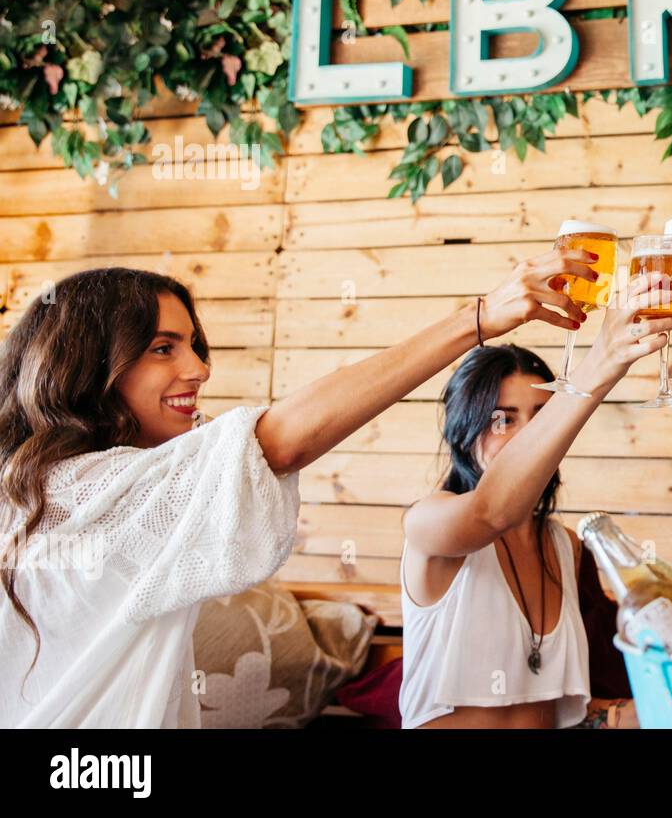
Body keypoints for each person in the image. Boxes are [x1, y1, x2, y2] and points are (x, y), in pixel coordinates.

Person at [0, 249, 601, 727]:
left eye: (193, 345)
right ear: (85, 365)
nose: (199, 369)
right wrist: (484, 317)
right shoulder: (83, 494)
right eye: (163, 349)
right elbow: (282, 441)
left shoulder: (41, 489)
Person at [400, 275, 672, 728]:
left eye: (540, 416)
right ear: (462, 431)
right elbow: (490, 512)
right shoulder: (428, 525)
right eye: (501, 420)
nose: (525, 434)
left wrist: (667, 709)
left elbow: (561, 712)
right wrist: (601, 362)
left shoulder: (565, 547)